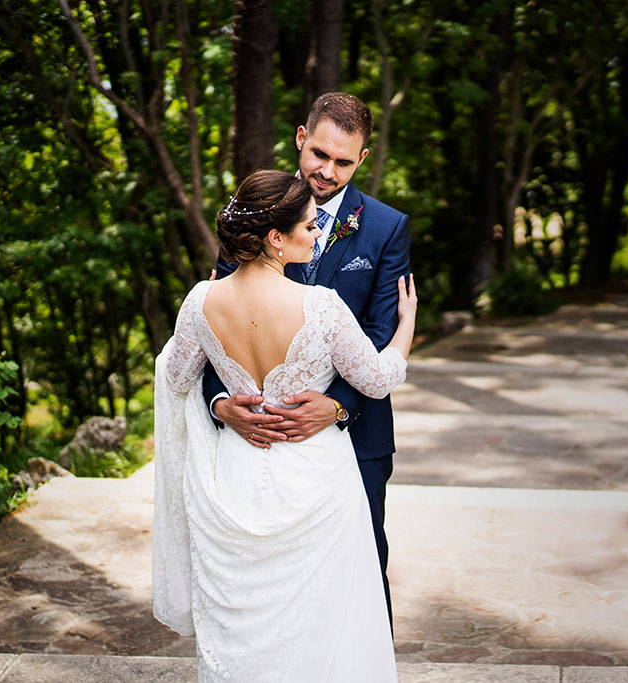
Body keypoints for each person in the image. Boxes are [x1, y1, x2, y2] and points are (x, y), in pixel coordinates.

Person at [153, 170, 416, 682]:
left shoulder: (199, 302)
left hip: (232, 481)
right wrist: (406, 323)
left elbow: (176, 377)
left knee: (240, 625)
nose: (317, 233)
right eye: (309, 226)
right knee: (325, 625)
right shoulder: (322, 308)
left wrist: (223, 404)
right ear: (276, 238)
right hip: (315, 479)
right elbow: (378, 379)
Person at [201, 92, 409, 621]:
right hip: (255, 441)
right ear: (300, 138)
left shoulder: (386, 228)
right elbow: (214, 322)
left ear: (362, 158)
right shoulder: (256, 208)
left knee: (360, 571)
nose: (328, 171)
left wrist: (337, 406)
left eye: (344, 161)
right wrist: (220, 402)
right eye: (319, 154)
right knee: (265, 583)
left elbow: (380, 330)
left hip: (354, 438)